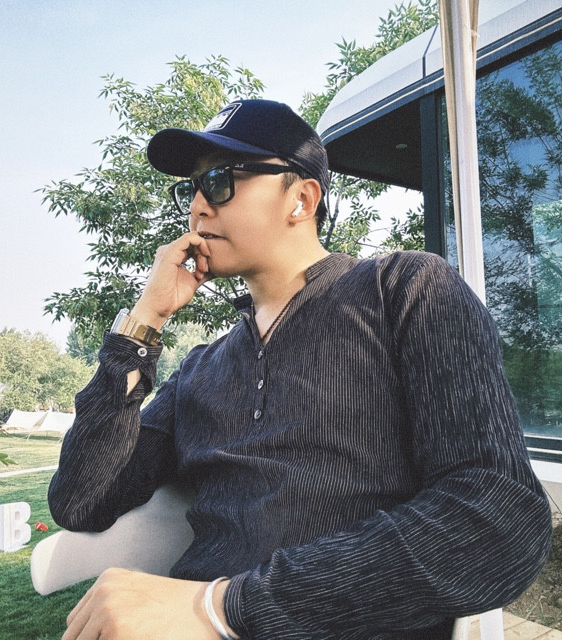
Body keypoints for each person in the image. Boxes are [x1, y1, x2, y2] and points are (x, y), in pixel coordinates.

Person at [48, 99, 552, 640]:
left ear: (302, 199)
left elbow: (498, 517)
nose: (196, 207)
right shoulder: (200, 369)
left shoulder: (404, 291)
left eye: (218, 181)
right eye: (190, 189)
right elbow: (82, 501)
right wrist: (144, 323)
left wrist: (219, 608)